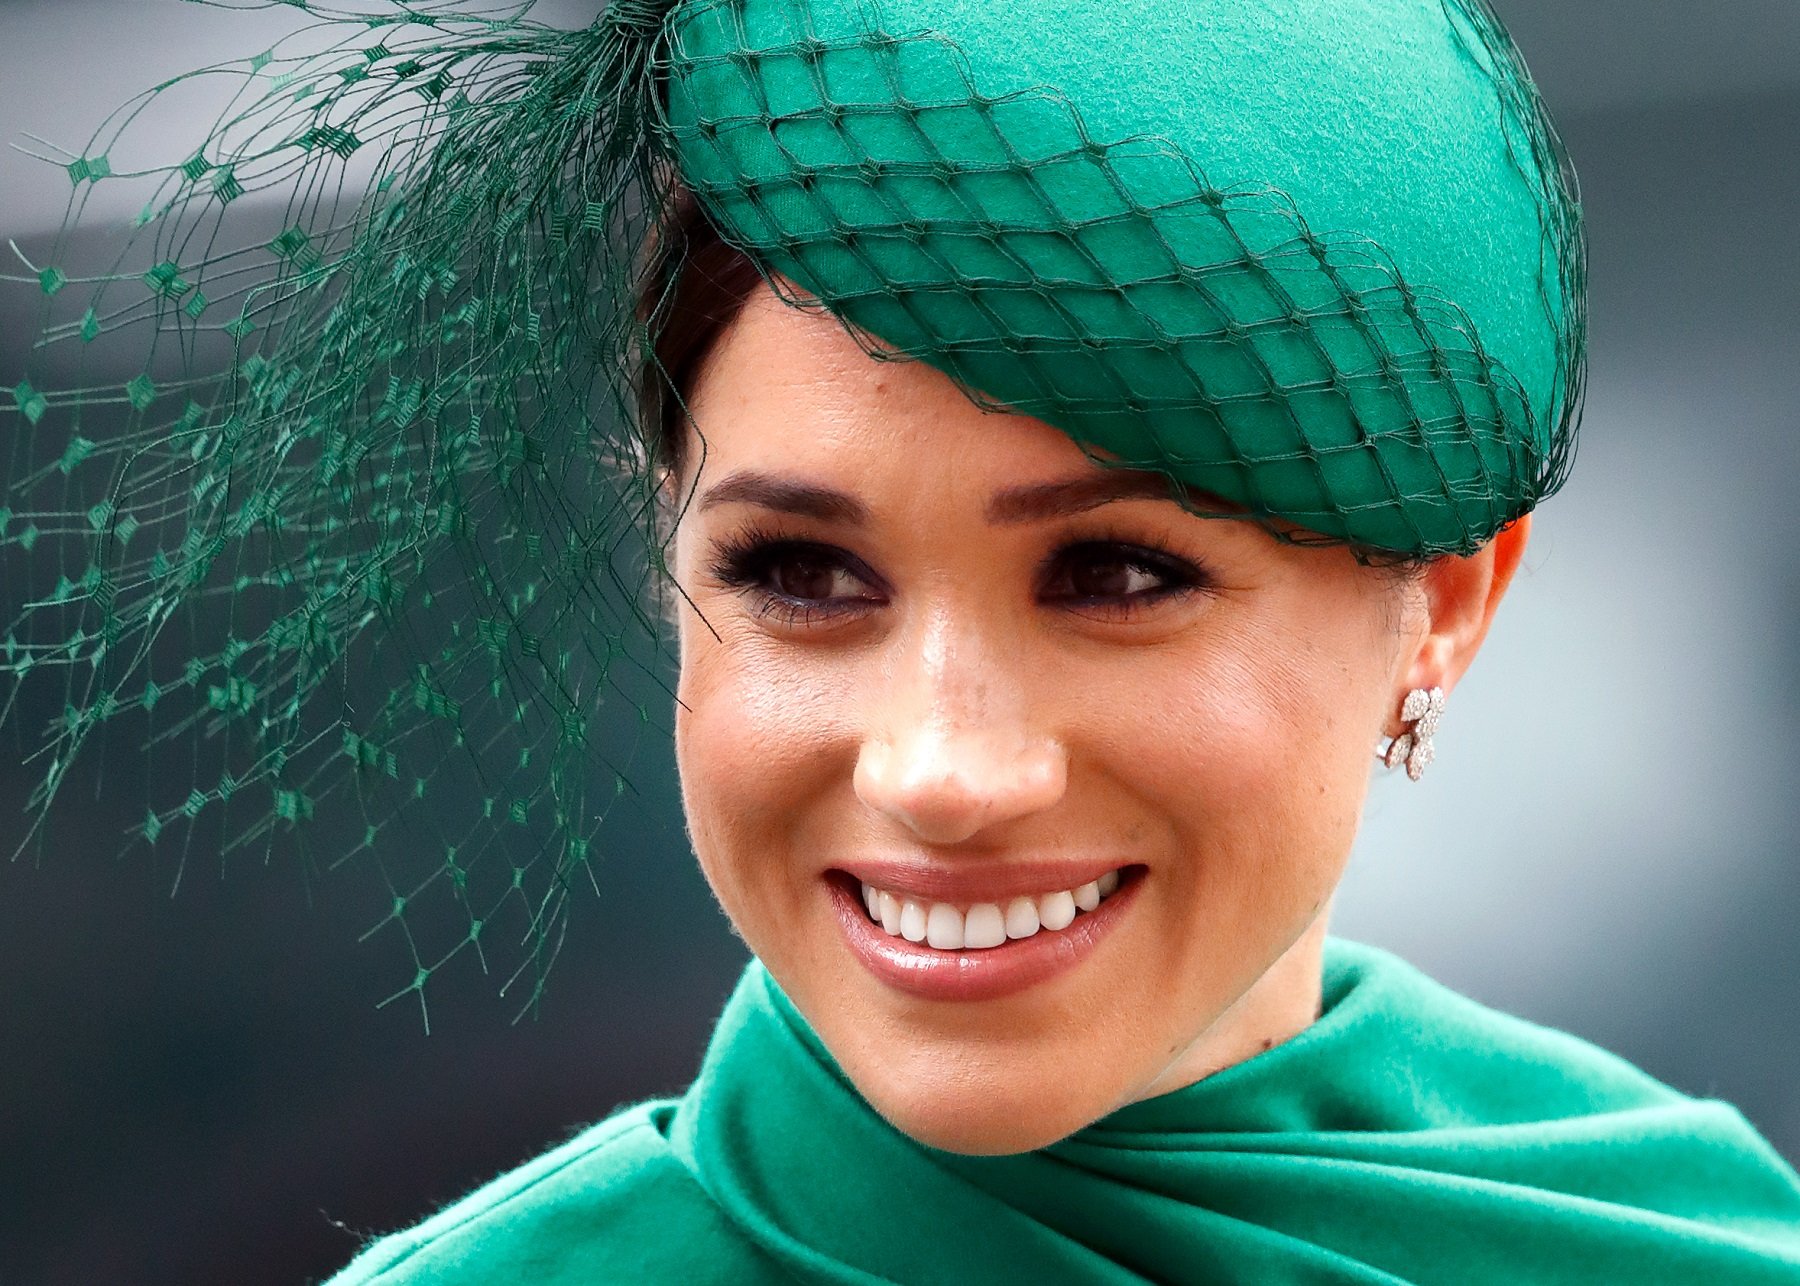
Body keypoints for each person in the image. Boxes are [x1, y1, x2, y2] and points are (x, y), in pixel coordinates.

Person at [6, 0, 1799, 1281]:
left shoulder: (1680, 1241)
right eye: (803, 572)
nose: (943, 770)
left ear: (1451, 603)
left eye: (1115, 575)